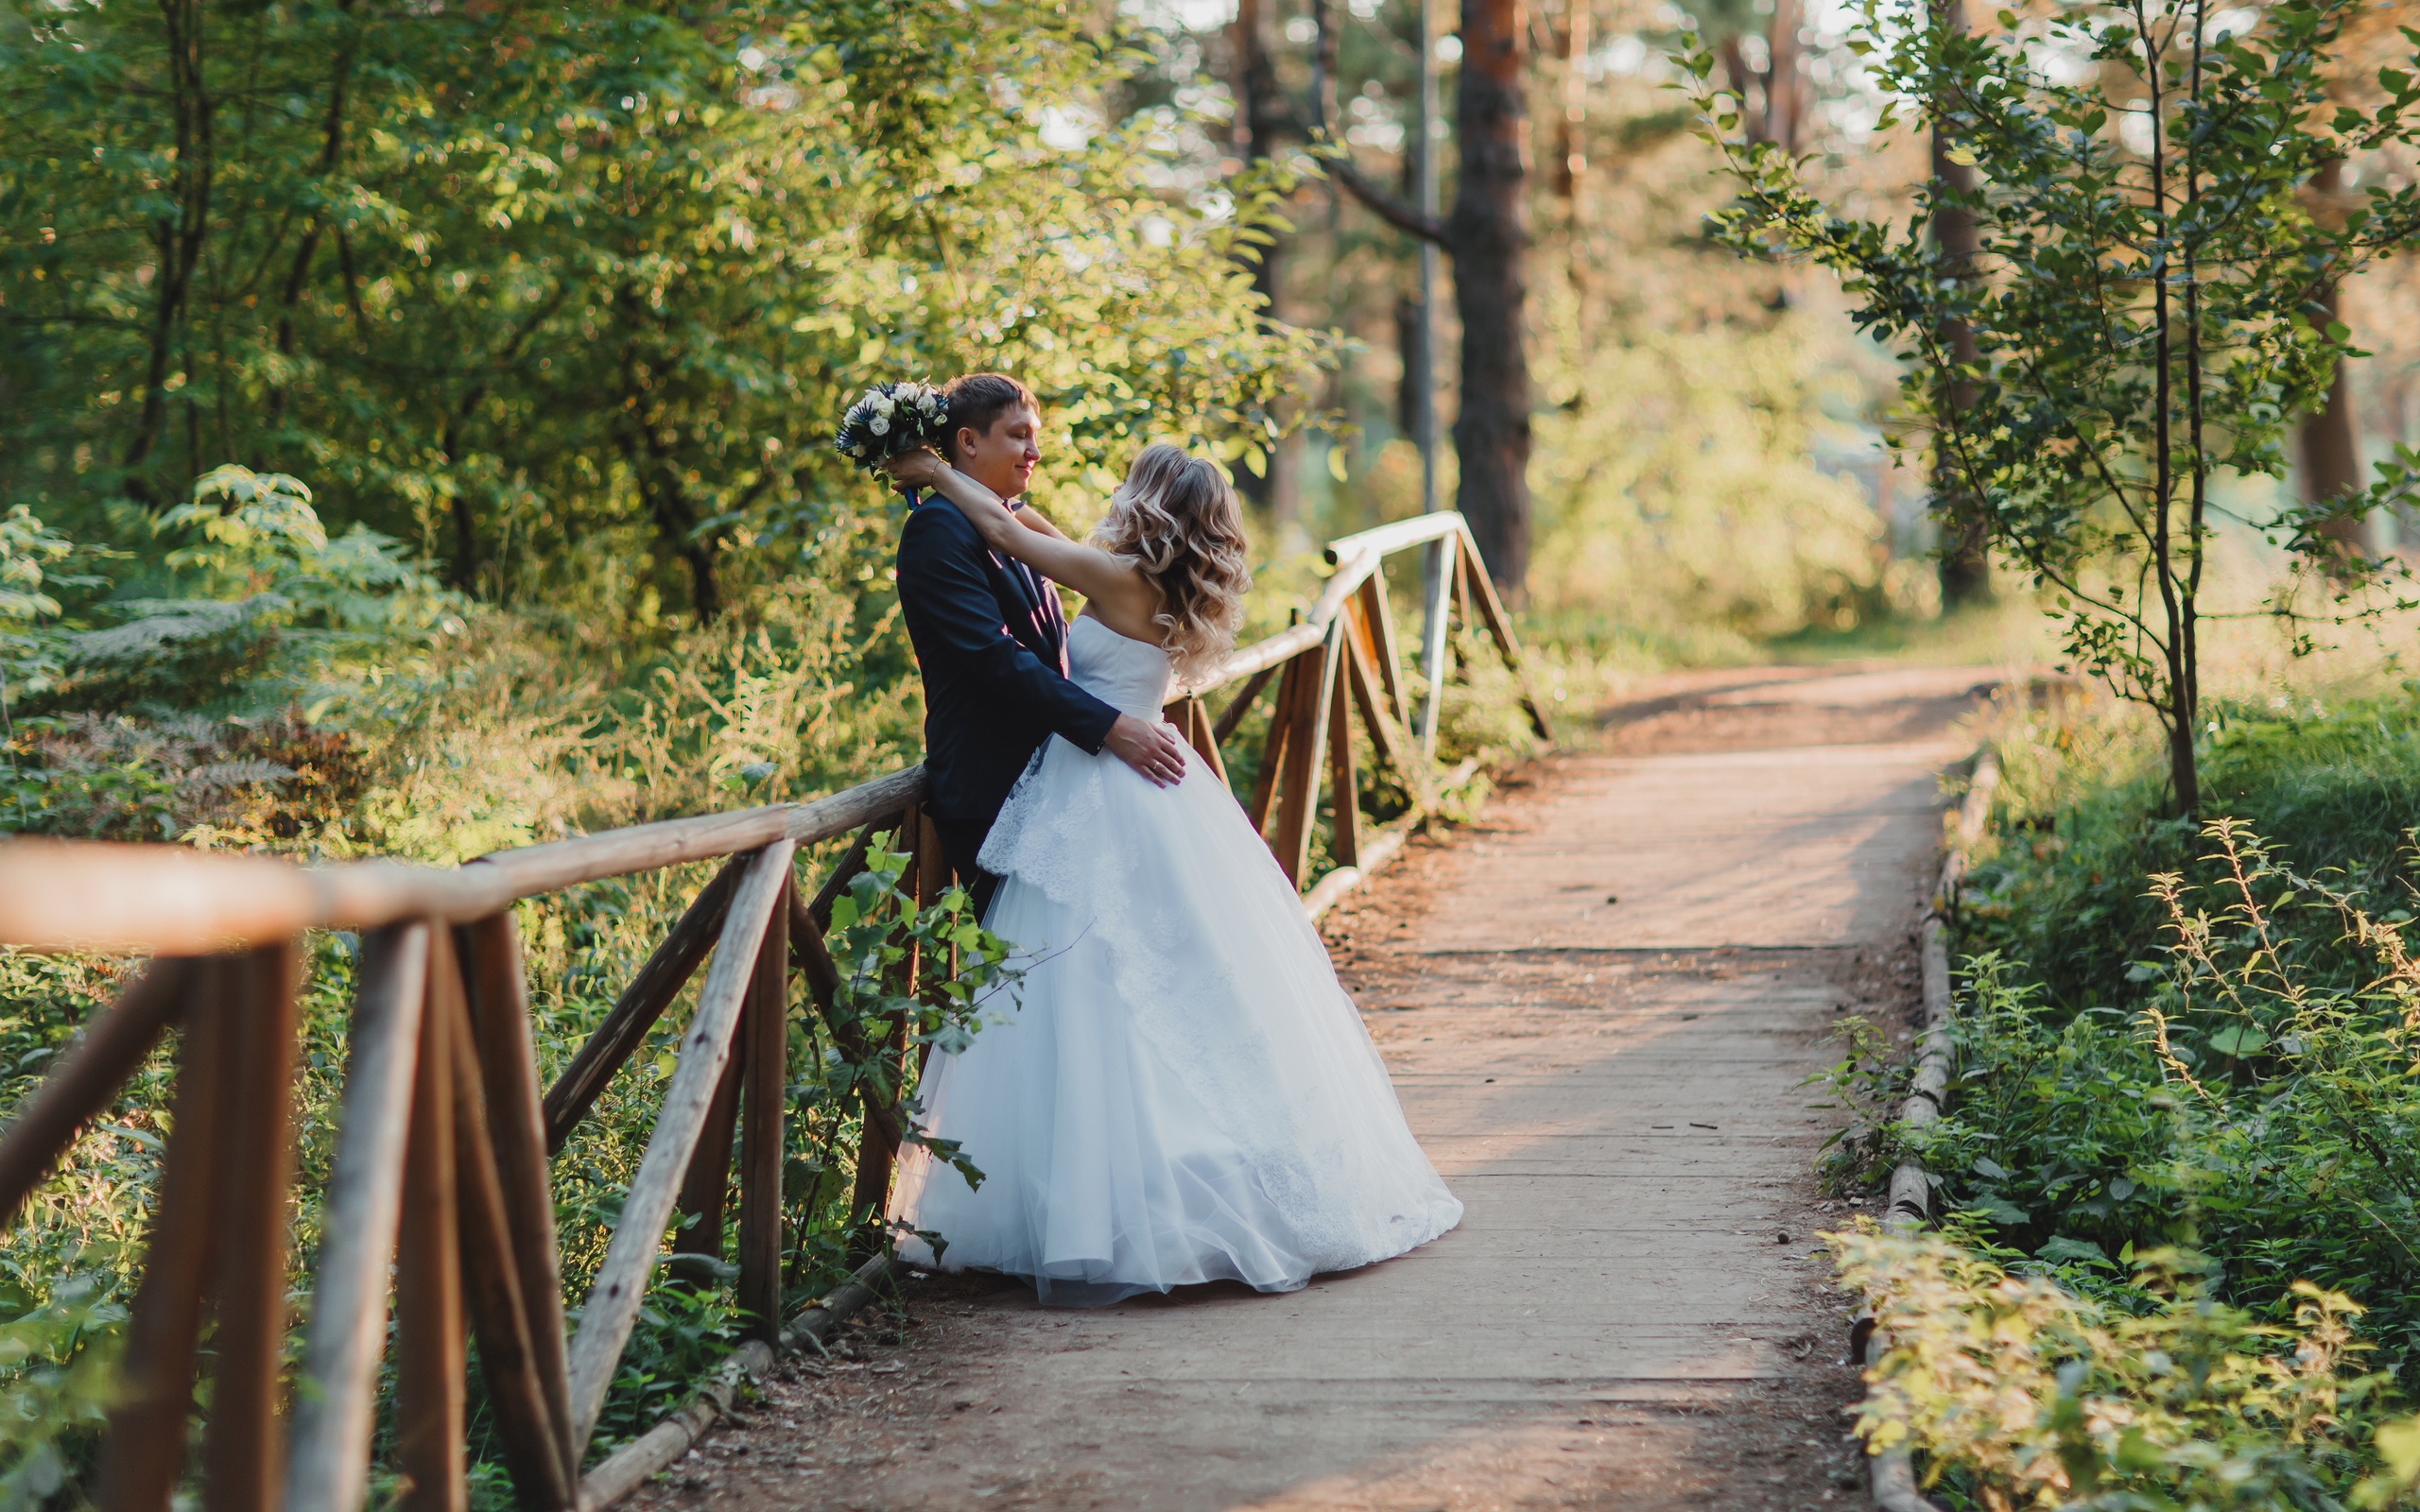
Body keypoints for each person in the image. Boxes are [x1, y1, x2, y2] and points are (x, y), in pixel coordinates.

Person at [880, 438, 1463, 1306]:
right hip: (1153, 788)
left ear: (1148, 501)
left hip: (1104, 787)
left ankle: (1099, 1209)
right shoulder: (1149, 584)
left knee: (1091, 984)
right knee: (1173, 980)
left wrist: (932, 476)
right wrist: (974, 491)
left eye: (1129, 482)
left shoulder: (1114, 582)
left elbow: (1011, 536)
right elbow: (1026, 527)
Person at [893, 373, 1191, 917]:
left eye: (1036, 436)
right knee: (1024, 966)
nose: (1035, 451)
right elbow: (993, 655)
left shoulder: (1007, 521)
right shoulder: (936, 530)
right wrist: (1109, 726)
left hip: (1060, 780)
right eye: (1018, 435)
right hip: (993, 785)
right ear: (968, 441)